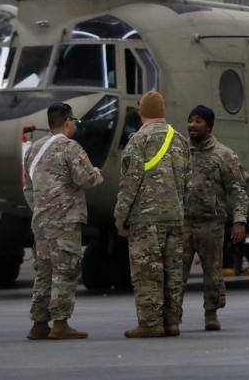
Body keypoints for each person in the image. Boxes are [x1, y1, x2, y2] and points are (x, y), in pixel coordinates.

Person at [22, 103, 104, 340]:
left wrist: (42, 209)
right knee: (65, 271)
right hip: (66, 222)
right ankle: (60, 324)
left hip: (41, 222)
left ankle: (39, 324)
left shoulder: (34, 149)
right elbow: (86, 178)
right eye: (74, 121)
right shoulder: (69, 147)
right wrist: (97, 173)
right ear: (68, 121)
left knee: (44, 272)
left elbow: (28, 189)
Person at [114, 90, 190, 338]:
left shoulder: (138, 140)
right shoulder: (178, 139)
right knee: (173, 272)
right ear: (163, 112)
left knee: (147, 272)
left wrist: (120, 215)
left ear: (141, 112)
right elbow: (188, 180)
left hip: (146, 219)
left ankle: (150, 324)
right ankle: (172, 322)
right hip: (175, 217)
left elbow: (130, 182)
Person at [180, 105, 249, 331]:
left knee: (212, 273)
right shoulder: (178, 152)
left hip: (211, 224)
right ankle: (172, 315)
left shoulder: (224, 156)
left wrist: (239, 221)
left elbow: (237, 189)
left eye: (198, 121)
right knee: (174, 274)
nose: (192, 125)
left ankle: (211, 313)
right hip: (182, 224)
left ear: (208, 126)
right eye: (190, 120)